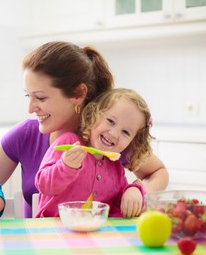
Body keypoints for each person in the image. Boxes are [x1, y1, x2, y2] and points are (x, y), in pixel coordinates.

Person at [0, 41, 169, 218]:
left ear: (78, 94)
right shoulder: (26, 134)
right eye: (28, 96)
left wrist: (138, 190)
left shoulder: (108, 137)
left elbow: (157, 172)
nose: (31, 108)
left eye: (41, 98)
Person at [35, 88, 152, 218]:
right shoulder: (69, 142)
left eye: (125, 132)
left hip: (93, 234)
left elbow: (118, 209)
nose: (113, 134)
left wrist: (133, 191)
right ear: (94, 114)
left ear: (132, 142)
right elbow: (43, 185)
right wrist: (65, 166)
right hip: (53, 231)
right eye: (110, 121)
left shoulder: (116, 169)